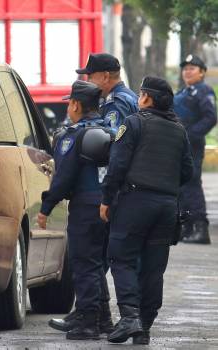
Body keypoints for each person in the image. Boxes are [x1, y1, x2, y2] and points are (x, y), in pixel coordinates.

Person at [100, 77, 193, 345]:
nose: (139, 98)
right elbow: (187, 171)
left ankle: (129, 316)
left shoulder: (133, 123)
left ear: (147, 98)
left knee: (122, 258)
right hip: (166, 206)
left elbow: (117, 165)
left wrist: (107, 199)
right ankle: (144, 326)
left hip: (135, 202)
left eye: (141, 94)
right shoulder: (179, 130)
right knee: (154, 267)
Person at [39, 80, 112, 340]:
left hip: (85, 206)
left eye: (69, 104)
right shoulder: (111, 130)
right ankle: (103, 319)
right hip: (108, 205)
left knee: (83, 264)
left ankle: (88, 322)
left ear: (76, 104)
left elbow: (64, 177)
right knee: (96, 263)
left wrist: (46, 206)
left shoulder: (74, 135)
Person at [73, 52, 139, 328]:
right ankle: (100, 315)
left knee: (96, 256)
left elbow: (112, 150)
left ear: (105, 77)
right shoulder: (131, 98)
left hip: (117, 187)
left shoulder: (115, 104)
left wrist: (107, 193)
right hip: (129, 186)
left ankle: (97, 315)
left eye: (91, 75)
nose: (88, 80)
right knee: (101, 256)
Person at [174, 54, 217, 244]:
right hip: (178, 145)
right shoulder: (183, 92)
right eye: (185, 68)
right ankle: (187, 226)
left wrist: (191, 134)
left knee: (191, 185)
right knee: (180, 185)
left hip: (191, 144)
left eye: (192, 68)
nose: (187, 71)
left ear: (202, 73)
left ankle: (200, 228)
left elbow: (210, 117)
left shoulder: (203, 91)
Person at [76, 53, 139, 130]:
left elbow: (111, 137)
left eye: (90, 77)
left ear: (105, 77)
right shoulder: (126, 96)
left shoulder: (116, 102)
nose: (88, 82)